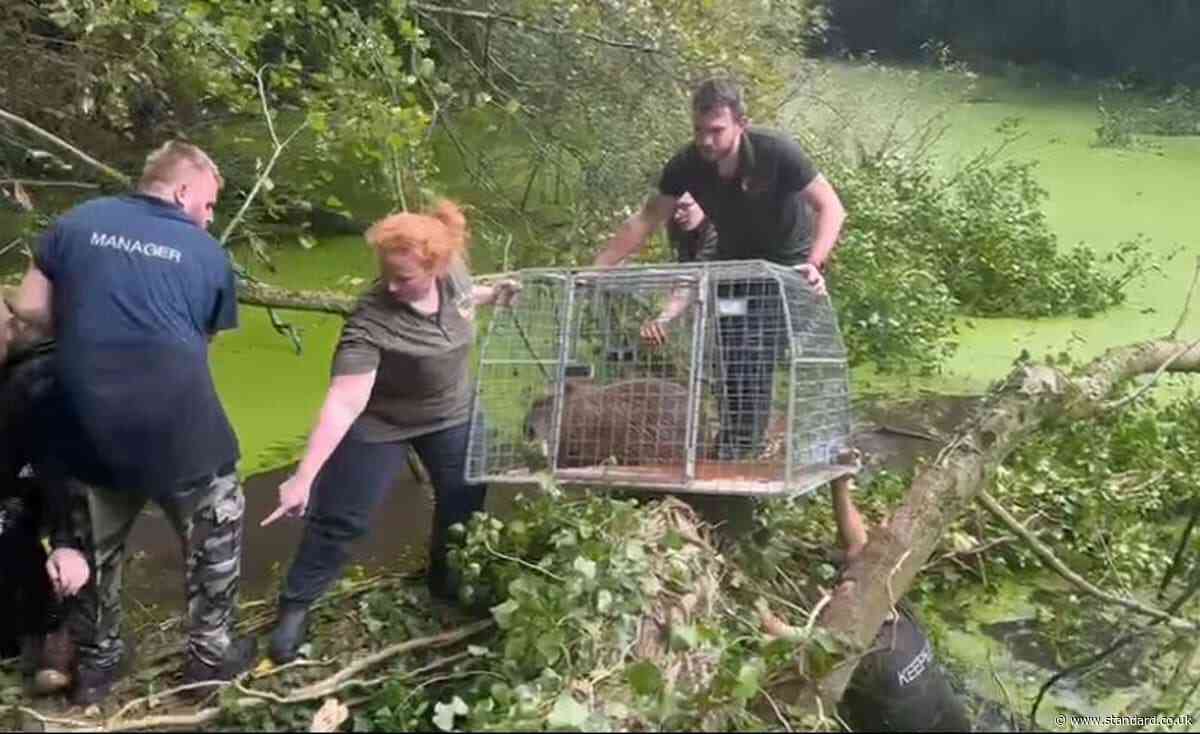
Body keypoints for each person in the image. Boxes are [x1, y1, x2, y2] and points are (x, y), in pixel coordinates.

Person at [10, 140, 254, 705]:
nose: (210, 217)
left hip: (86, 421)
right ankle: (208, 659)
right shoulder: (208, 254)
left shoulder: (73, 224)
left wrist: (84, 329)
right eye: (211, 204)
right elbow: (199, 344)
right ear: (183, 189)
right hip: (179, 428)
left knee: (94, 548)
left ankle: (99, 664)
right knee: (215, 531)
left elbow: (28, 309)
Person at [261, 199, 520, 665]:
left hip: (453, 412)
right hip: (383, 423)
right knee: (343, 518)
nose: (393, 286)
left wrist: (493, 293)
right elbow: (344, 400)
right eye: (387, 276)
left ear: (436, 266)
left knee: (465, 500)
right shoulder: (371, 320)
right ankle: (295, 606)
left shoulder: (453, 272)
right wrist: (303, 476)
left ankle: (445, 581)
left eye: (405, 278)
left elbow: (464, 296)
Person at [600, 78, 847, 459]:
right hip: (733, 271)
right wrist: (596, 268)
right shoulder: (686, 164)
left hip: (784, 271)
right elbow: (647, 219)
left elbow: (831, 206)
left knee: (756, 350)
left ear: (740, 124)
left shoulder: (776, 151)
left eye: (716, 131)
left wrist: (815, 264)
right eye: (699, 131)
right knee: (730, 349)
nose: (706, 141)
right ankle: (732, 442)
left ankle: (747, 448)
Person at [827, 452, 971, 731]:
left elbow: (791, 641)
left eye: (842, 587)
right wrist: (840, 486)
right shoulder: (891, 604)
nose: (836, 591)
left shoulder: (858, 649)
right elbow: (861, 550)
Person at [0, 303, 79, 695]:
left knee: (71, 540)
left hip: (60, 473)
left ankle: (60, 636)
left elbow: (57, 462)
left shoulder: (41, 374)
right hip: (16, 476)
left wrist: (63, 536)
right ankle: (17, 636)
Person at [667, 192, 717, 263]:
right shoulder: (686, 235)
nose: (677, 216)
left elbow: (698, 268)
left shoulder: (718, 235)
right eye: (674, 209)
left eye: (684, 206)